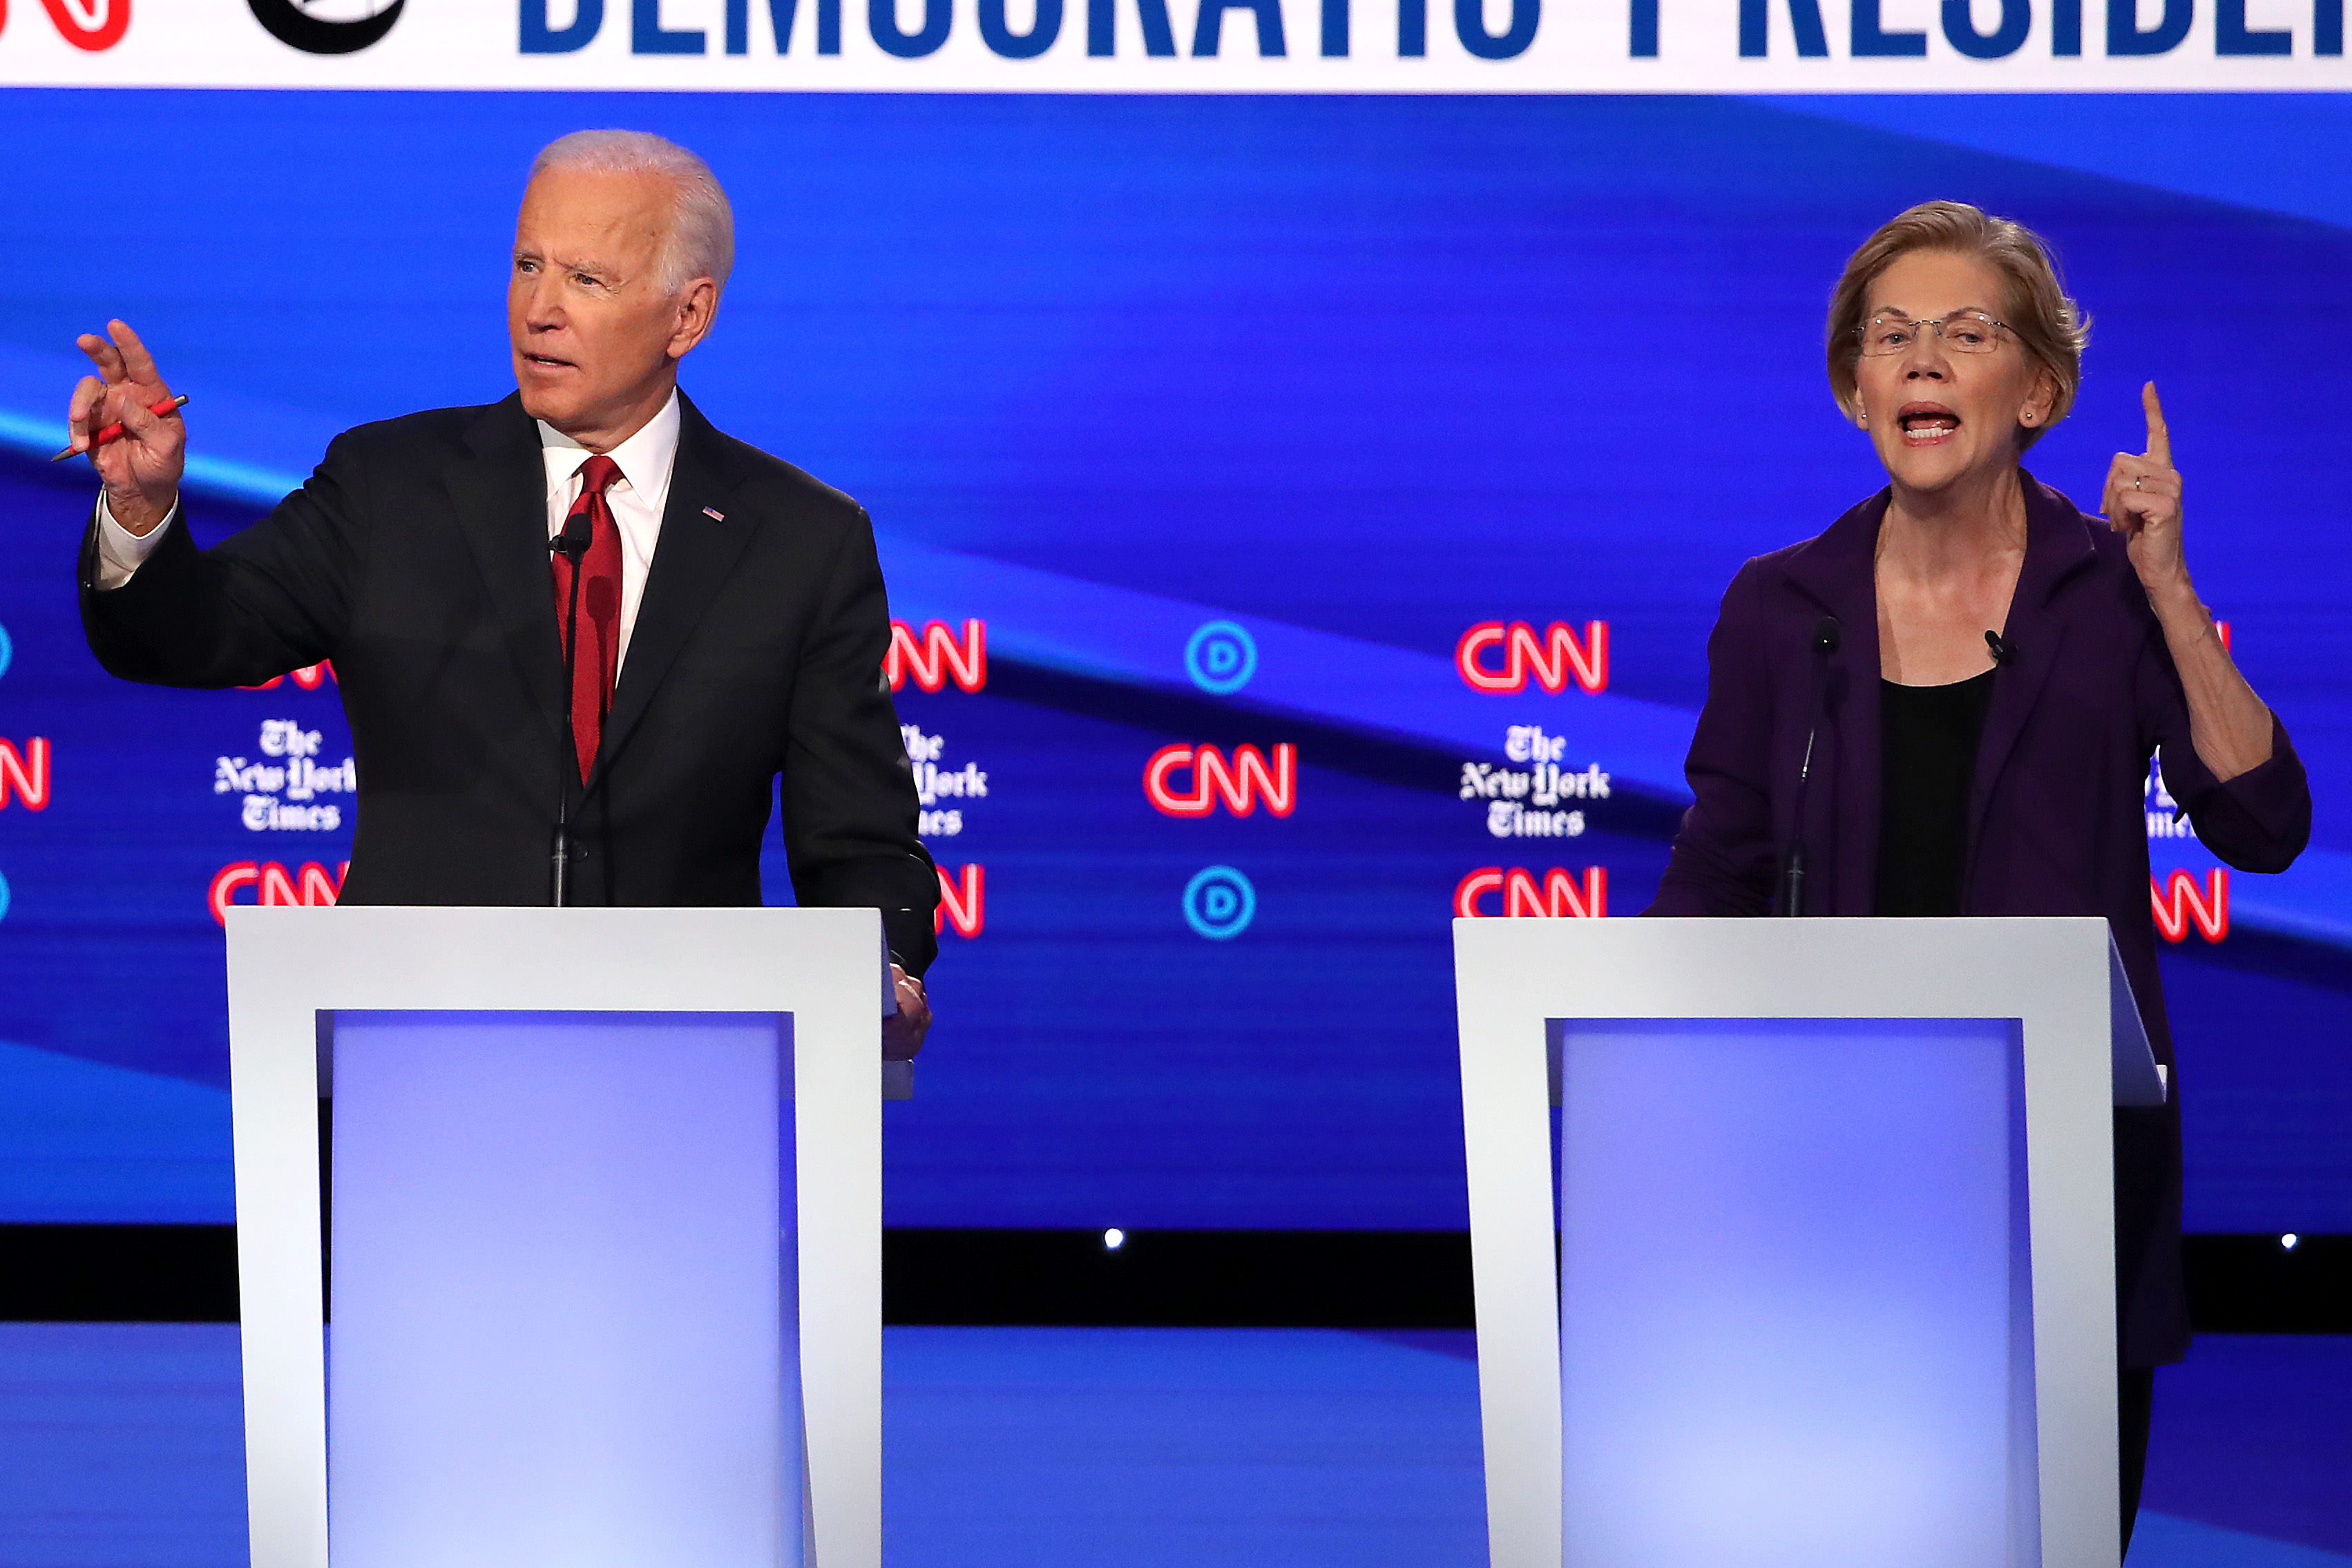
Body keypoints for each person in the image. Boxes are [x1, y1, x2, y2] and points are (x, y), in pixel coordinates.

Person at [1647, 200, 2310, 1542]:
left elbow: (2258, 821)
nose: (1921, 360)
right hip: (1827, 1174)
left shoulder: (2105, 595)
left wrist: (2170, 589)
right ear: (1853, 390)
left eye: (1963, 333)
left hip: (2056, 1179)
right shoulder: (1780, 608)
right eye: (1889, 337)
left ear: (2037, 390)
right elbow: (1712, 868)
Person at [68, 129, 936, 1055]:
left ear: (688, 317)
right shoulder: (390, 486)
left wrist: (880, 966)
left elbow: (857, 838)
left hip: (690, 1068)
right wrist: (143, 506)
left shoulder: (802, 540)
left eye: (586, 279)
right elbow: (190, 635)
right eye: (528, 265)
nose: (538, 310)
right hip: (410, 1054)